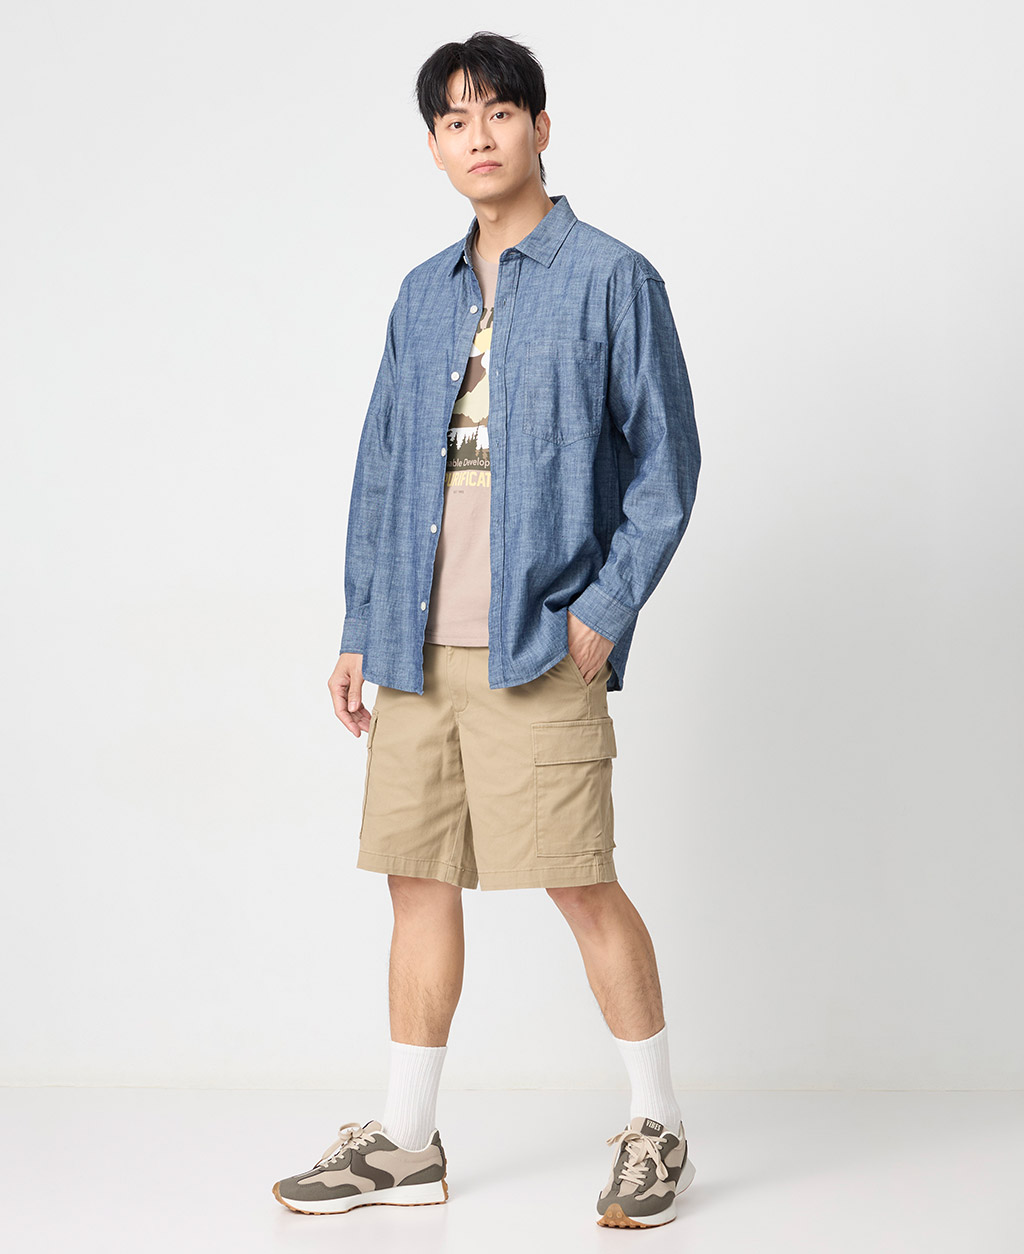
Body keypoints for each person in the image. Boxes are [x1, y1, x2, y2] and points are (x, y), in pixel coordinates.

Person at [272, 30, 701, 1230]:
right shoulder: (421, 295)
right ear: (433, 146)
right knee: (415, 884)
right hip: (414, 650)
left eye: (498, 113)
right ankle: (406, 1143)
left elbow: (667, 466)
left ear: (540, 128)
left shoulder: (612, 278)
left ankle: (657, 1124)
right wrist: (359, 627)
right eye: (454, 121)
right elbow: (380, 470)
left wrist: (601, 615)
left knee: (579, 881)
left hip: (537, 645)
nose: (478, 137)